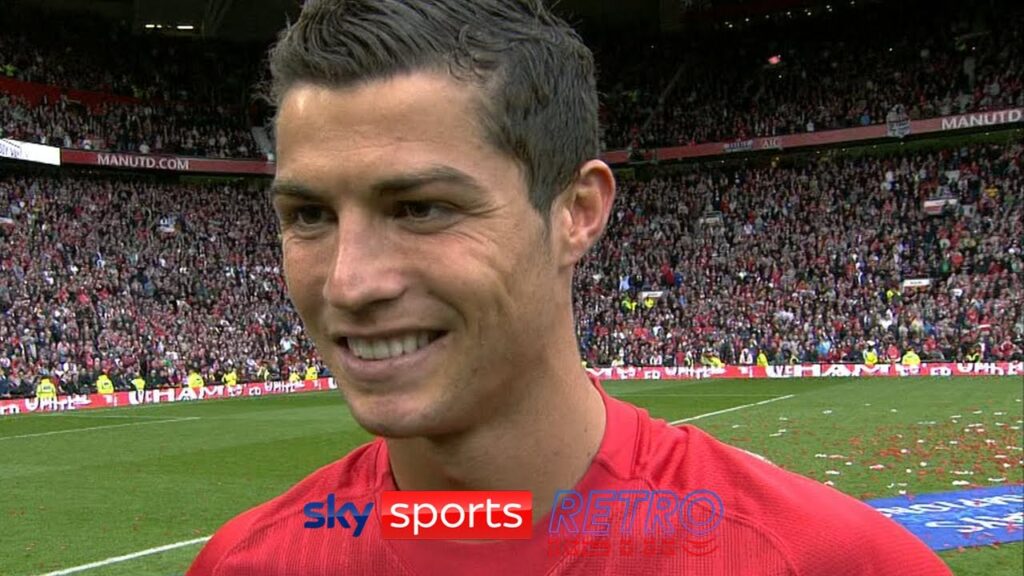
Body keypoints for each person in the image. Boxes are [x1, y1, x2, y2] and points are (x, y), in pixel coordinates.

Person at [188, 1, 950, 574]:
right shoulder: (246, 564)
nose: (350, 281)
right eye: (309, 215)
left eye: (421, 208)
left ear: (577, 212)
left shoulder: (823, 560)